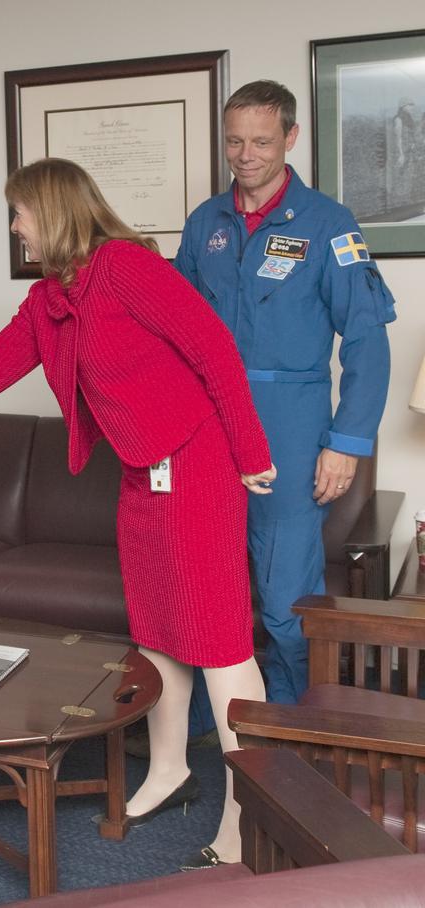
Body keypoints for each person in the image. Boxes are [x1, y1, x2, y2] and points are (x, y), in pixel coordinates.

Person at [0, 158, 275, 870]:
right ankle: (169, 770)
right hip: (142, 474)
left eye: (19, 214)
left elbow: (215, 352)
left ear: (51, 211)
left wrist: (252, 453)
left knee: (221, 644)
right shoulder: (47, 299)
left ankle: (247, 808)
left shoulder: (128, 269)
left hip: (197, 467)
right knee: (159, 634)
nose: (14, 228)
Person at [175, 81, 396, 708]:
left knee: (282, 596)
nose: (246, 155)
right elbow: (175, 325)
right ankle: (197, 725)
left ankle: (292, 732)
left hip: (290, 429)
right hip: (207, 424)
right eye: (234, 141)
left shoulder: (330, 224)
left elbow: (366, 343)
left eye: (262, 141)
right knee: (205, 587)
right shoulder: (204, 223)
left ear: (291, 138)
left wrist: (345, 444)